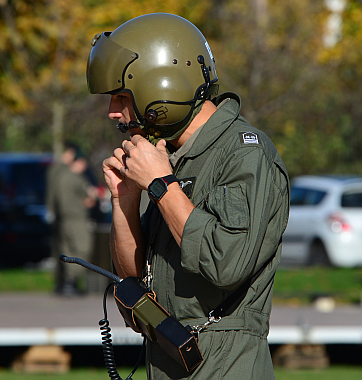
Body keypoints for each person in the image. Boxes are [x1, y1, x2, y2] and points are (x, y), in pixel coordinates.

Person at [87, 13, 290, 379]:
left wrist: (162, 184)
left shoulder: (246, 154)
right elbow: (136, 284)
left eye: (120, 96)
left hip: (227, 367)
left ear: (162, 87)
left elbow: (225, 263)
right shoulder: (168, 158)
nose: (112, 112)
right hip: (167, 363)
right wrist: (124, 202)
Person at [55, 151, 96, 295]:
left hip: (64, 219)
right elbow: (91, 196)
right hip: (78, 219)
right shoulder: (79, 180)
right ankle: (71, 280)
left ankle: (65, 282)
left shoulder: (61, 177)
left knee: (67, 251)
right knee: (84, 249)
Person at [46, 141, 79, 294]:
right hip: (61, 215)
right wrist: (51, 210)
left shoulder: (59, 169)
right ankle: (63, 281)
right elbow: (53, 193)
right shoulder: (59, 170)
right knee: (62, 248)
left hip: (62, 215)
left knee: (63, 248)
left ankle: (64, 281)